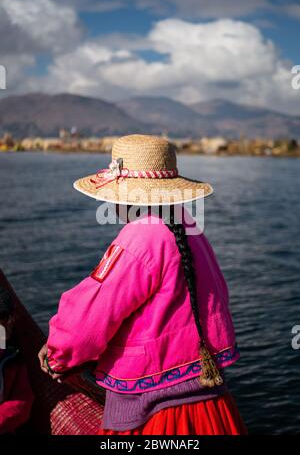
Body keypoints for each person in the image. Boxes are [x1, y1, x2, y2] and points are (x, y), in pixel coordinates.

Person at [38, 134, 247, 435]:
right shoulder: (188, 227)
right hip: (212, 406)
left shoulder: (140, 237)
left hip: (158, 417)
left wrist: (59, 354)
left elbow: (92, 315)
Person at [0, 285, 34, 434]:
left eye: (8, 317)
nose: (10, 322)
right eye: (3, 318)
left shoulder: (12, 358)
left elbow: (21, 403)